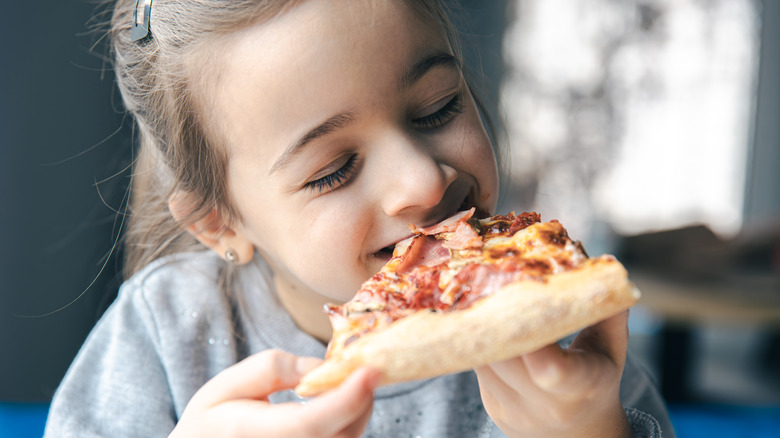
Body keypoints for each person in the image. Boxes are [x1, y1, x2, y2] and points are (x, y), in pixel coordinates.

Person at [44, 0, 675, 436]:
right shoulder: (164, 332)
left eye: (437, 107)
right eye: (333, 170)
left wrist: (590, 431)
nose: (422, 180)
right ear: (219, 223)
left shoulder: (559, 334)